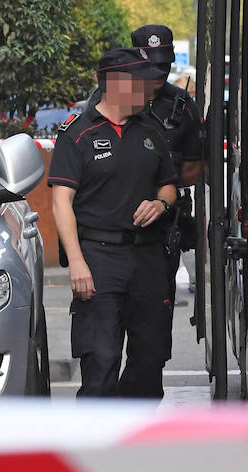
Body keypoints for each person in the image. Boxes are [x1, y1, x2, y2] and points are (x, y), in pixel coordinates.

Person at [49, 48, 179, 398]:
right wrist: (76, 262)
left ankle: (134, 440)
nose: (151, 88)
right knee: (101, 360)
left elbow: (169, 185)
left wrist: (160, 204)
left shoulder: (151, 130)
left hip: (148, 258)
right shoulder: (77, 134)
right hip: (98, 258)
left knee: (150, 359)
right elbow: (61, 201)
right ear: (116, 85)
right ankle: (98, 445)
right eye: (142, 82)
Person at [132, 24, 205, 337]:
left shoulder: (182, 106)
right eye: (151, 64)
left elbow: (195, 168)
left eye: (164, 64)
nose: (158, 71)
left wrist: (164, 188)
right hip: (113, 229)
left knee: (153, 329)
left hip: (163, 230)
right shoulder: (108, 102)